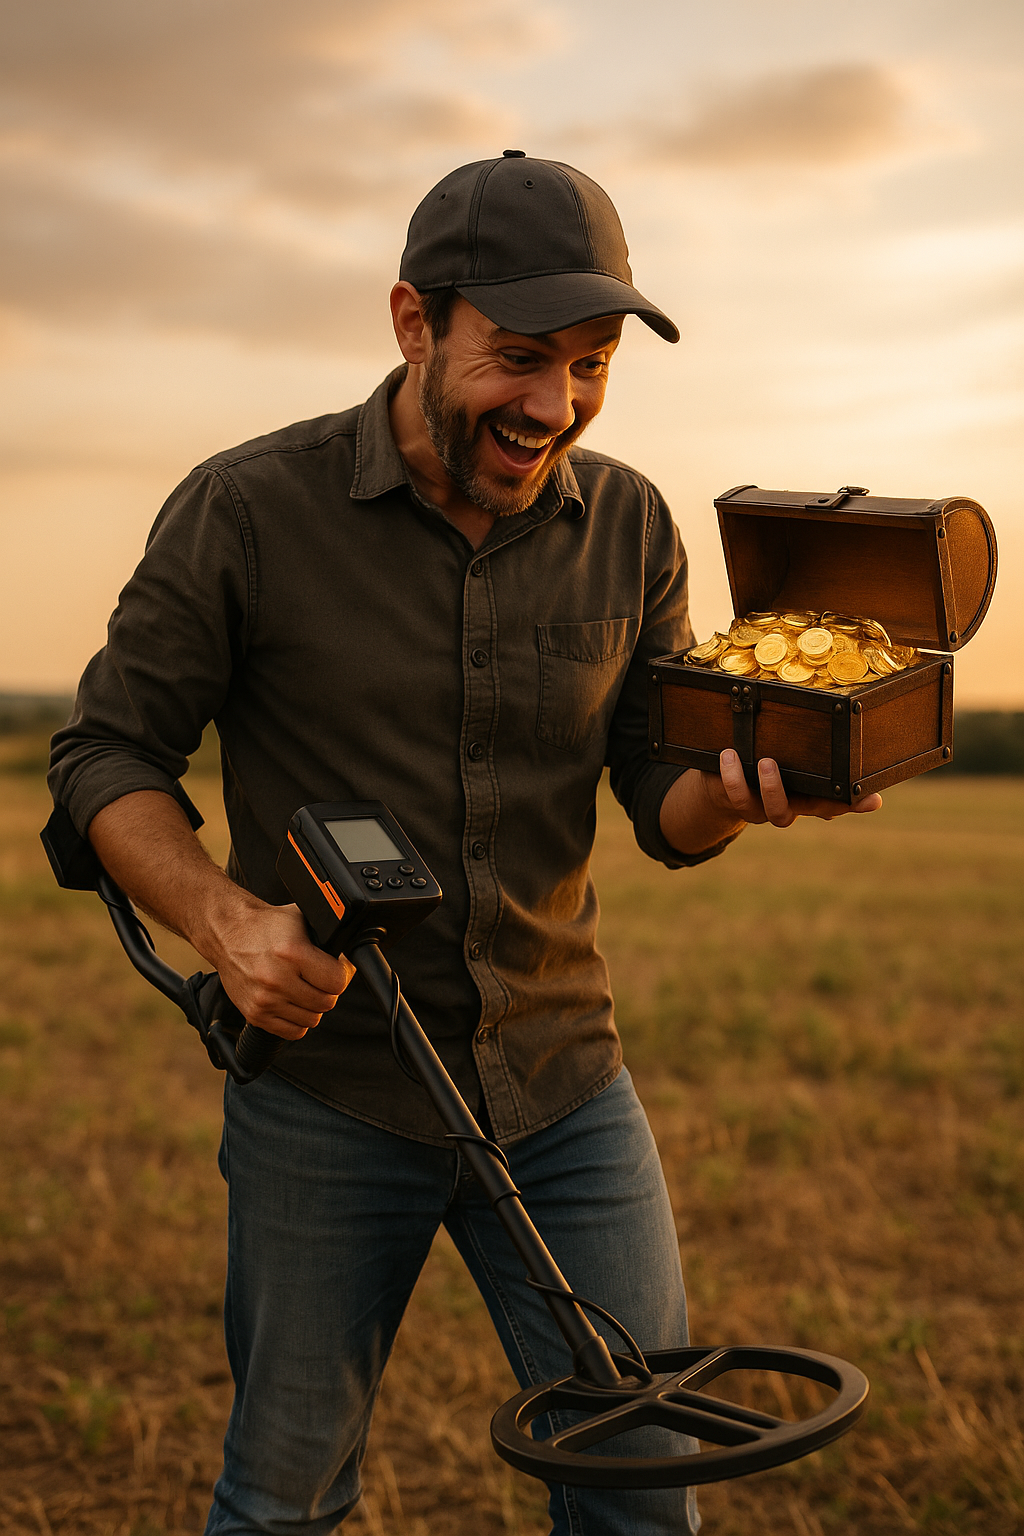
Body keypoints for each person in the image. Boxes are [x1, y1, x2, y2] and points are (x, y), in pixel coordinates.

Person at [48, 152, 881, 1535]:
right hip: (329, 1098)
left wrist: (731, 795)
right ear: (412, 324)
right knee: (283, 1499)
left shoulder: (629, 523)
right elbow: (104, 755)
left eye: (596, 363)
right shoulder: (247, 510)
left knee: (642, 1490)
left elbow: (658, 798)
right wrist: (230, 925)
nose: (556, 405)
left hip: (565, 1084)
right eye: (522, 357)